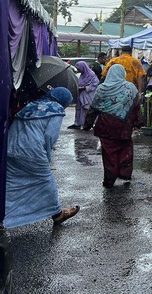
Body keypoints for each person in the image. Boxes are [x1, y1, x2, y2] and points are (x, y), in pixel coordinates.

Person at [4, 87, 80, 228]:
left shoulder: (31, 105)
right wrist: (47, 156)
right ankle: (58, 214)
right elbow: (50, 136)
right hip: (32, 152)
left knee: (12, 182)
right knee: (46, 181)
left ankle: (3, 216)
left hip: (11, 148)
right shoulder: (56, 109)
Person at [84, 64, 143, 188]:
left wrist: (87, 124)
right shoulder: (131, 88)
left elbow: (94, 107)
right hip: (124, 126)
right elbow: (136, 106)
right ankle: (125, 173)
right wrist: (138, 122)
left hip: (106, 125)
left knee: (109, 152)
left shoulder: (102, 88)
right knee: (126, 148)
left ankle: (109, 179)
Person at [68, 61, 99, 130]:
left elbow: (95, 84)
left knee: (86, 110)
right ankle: (78, 123)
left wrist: (85, 88)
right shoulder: (82, 75)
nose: (78, 70)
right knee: (78, 109)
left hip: (87, 95)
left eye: (79, 68)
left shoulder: (91, 75)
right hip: (80, 94)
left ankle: (88, 124)